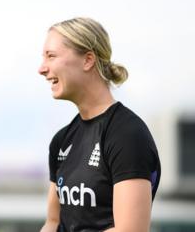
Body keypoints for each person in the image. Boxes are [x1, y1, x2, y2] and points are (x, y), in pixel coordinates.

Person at [38, 17, 161, 232]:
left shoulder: (127, 134)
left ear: (88, 60)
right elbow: (53, 222)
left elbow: (131, 230)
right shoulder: (61, 141)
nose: (42, 68)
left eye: (51, 56)